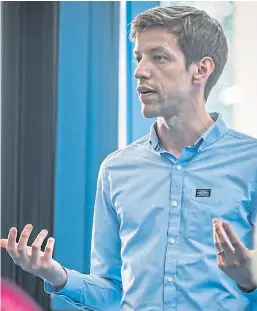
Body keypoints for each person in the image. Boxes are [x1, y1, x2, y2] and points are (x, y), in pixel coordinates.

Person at [1, 5, 257, 310]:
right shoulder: (116, 169)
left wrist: (250, 279)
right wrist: (55, 275)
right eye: (139, 58)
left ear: (200, 69)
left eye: (158, 57)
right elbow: (111, 291)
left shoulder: (250, 163)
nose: (140, 71)